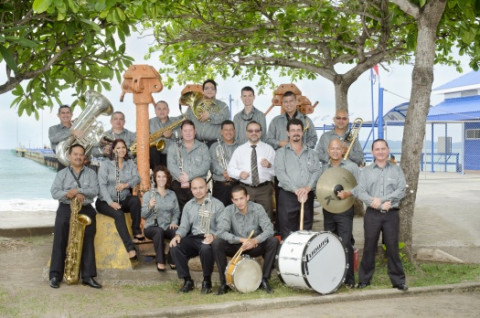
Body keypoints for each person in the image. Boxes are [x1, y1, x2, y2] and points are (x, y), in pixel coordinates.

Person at [353, 139, 408, 291]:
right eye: (377, 149)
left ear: (388, 150)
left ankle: (398, 281)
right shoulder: (367, 171)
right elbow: (361, 191)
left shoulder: (396, 170)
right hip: (372, 214)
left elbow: (401, 190)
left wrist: (382, 201)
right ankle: (364, 280)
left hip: (391, 214)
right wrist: (373, 203)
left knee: (392, 247)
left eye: (383, 148)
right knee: (369, 247)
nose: (380, 152)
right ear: (372, 152)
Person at [49, 144, 100, 289]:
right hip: (66, 208)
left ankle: (88, 276)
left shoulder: (91, 173)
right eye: (75, 154)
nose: (78, 157)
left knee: (88, 240)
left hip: (86, 209)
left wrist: (78, 190)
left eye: (81, 154)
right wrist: (68, 193)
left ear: (84, 157)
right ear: (70, 156)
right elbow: (54, 192)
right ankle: (55, 276)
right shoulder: (61, 174)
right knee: (59, 239)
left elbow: (95, 190)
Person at [212, 185, 279, 295]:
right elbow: (221, 232)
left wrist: (255, 241)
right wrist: (240, 240)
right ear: (232, 200)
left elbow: (269, 229)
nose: (239, 202)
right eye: (236, 199)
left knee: (273, 241)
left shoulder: (258, 208)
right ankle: (224, 283)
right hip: (237, 245)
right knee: (217, 243)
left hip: (254, 246)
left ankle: (264, 280)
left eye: (241, 198)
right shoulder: (228, 210)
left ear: (247, 197)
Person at [169, 177, 225, 294]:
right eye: (195, 188)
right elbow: (184, 226)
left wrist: (214, 236)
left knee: (205, 248)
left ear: (207, 187)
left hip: (210, 238)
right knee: (175, 246)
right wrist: (178, 235)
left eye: (201, 187)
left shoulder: (217, 205)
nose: (198, 191)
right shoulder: (188, 206)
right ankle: (187, 281)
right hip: (195, 238)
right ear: (191, 189)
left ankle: (207, 281)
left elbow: (223, 227)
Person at [95, 139, 143, 261]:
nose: (121, 150)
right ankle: (130, 248)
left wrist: (126, 185)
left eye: (123, 147)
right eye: (118, 148)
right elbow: (102, 185)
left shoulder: (130, 163)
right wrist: (111, 203)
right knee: (118, 214)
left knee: (135, 201)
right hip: (105, 201)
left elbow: (137, 178)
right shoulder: (106, 164)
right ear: (113, 150)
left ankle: (136, 230)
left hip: (122, 198)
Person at [321, 138, 360, 288]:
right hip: (329, 209)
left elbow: (361, 187)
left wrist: (349, 193)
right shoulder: (324, 168)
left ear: (343, 150)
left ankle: (349, 279)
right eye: (332, 148)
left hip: (345, 210)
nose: (335, 151)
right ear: (328, 151)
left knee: (345, 243)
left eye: (338, 148)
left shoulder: (351, 167)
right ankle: (333, 276)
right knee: (330, 243)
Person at [274, 118, 321, 240]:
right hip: (288, 196)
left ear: (302, 132)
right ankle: (288, 258)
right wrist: (296, 190)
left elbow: (317, 171)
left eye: (298, 130)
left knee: (305, 231)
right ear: (288, 133)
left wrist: (308, 187)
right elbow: (280, 174)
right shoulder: (280, 153)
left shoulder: (312, 153)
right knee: (287, 231)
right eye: (293, 130)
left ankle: (303, 258)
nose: (296, 133)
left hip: (307, 195)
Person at [227, 121, 276, 220]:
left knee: (266, 218)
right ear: (246, 133)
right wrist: (239, 174)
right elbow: (230, 169)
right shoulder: (239, 150)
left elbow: (278, 171)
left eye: (257, 130)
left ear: (261, 132)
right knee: (246, 218)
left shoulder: (269, 149)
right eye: (250, 131)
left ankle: (265, 235)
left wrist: (269, 165)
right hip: (246, 189)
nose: (254, 133)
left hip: (264, 190)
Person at [141, 165, 180, 271]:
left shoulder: (172, 194)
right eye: (159, 176)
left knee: (177, 231)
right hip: (151, 227)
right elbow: (143, 215)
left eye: (163, 176)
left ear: (167, 178)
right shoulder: (148, 195)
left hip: (167, 225)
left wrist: (174, 221)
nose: (161, 179)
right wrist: (149, 206)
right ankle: (160, 261)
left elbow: (176, 211)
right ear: (155, 178)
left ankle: (172, 259)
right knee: (158, 231)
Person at [167, 119, 211, 213]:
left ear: (195, 132)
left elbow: (205, 165)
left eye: (190, 130)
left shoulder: (203, 147)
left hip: (198, 183)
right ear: (181, 132)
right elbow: (171, 166)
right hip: (179, 183)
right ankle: (182, 224)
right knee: (176, 195)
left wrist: (189, 177)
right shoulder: (173, 147)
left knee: (198, 200)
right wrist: (182, 179)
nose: (188, 133)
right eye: (185, 130)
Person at [185, 79, 230, 147]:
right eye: (206, 88)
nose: (209, 90)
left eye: (212, 88)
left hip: (215, 144)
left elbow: (225, 117)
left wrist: (210, 115)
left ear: (216, 91)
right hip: (197, 144)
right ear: (203, 91)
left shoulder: (223, 106)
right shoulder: (194, 106)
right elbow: (185, 120)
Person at [209, 120, 239, 207]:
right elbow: (212, 163)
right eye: (226, 130)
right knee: (220, 214)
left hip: (237, 185)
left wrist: (232, 173)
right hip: (220, 186)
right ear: (221, 131)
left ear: (234, 131)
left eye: (231, 129)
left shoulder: (240, 147)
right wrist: (224, 172)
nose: (228, 132)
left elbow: (243, 164)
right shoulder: (214, 146)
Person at [48, 104, 84, 170]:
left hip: (81, 164)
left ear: (71, 114)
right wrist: (71, 132)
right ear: (58, 115)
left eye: (68, 113)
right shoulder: (53, 129)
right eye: (63, 113)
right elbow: (54, 139)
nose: (65, 115)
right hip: (63, 164)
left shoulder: (78, 128)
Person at [149, 100, 181, 170]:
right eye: (159, 109)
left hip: (170, 153)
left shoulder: (176, 121)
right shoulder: (149, 122)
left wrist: (172, 135)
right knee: (152, 150)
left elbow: (182, 134)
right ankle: (156, 175)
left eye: (164, 109)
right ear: (155, 111)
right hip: (155, 155)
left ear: (168, 110)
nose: (162, 111)